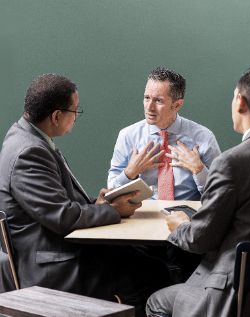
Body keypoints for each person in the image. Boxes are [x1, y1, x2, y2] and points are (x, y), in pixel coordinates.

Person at [0, 74, 169, 307]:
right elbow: (62, 216)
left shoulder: (28, 138)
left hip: (59, 251)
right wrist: (112, 210)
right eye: (76, 111)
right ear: (57, 116)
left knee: (148, 260)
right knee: (154, 274)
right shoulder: (29, 153)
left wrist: (98, 204)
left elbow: (58, 204)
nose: (77, 117)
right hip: (54, 268)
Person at [145, 64, 250, 317]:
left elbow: (198, 239)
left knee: (156, 302)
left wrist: (181, 224)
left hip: (229, 289)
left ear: (240, 101)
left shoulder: (231, 162)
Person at [108, 67, 220, 201]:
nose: (149, 107)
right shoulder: (128, 136)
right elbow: (111, 190)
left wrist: (199, 170)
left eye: (158, 100)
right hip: (141, 216)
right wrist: (129, 173)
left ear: (177, 105)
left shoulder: (203, 137)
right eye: (147, 98)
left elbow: (220, 194)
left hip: (188, 217)